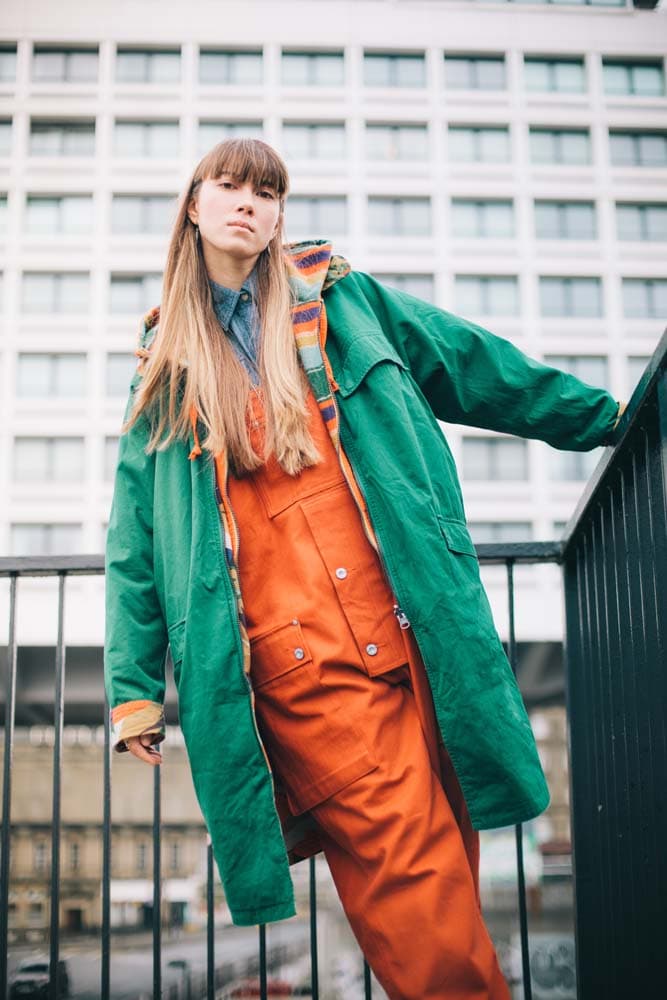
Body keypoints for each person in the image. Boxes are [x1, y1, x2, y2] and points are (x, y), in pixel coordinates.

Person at [104, 138, 625, 1000]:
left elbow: (473, 363)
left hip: (420, 642)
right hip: (305, 676)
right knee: (418, 895)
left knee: (439, 880)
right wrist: (131, 689)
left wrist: (606, 417)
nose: (250, 203)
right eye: (229, 185)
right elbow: (134, 544)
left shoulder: (340, 303)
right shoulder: (162, 377)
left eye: (268, 191)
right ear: (192, 206)